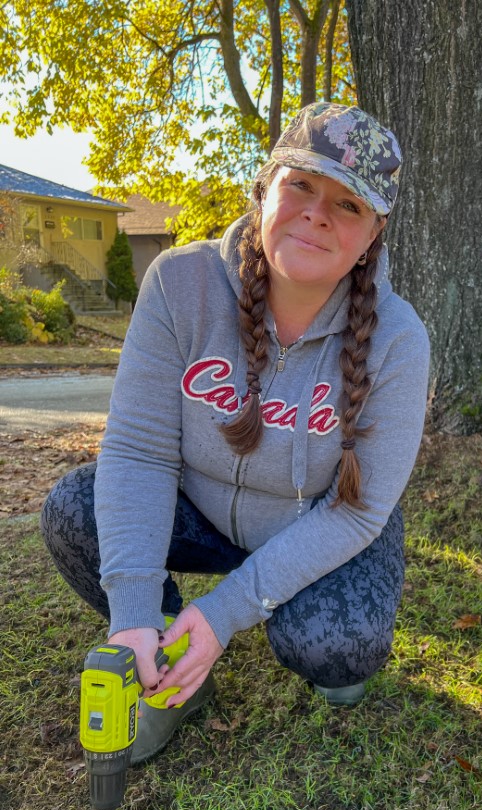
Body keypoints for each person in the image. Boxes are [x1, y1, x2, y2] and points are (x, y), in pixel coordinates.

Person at [41, 101, 431, 763]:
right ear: (263, 190)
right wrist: (134, 612)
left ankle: (314, 647)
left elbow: (359, 511)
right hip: (199, 510)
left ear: (373, 235)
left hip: (318, 518)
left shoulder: (399, 339)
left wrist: (226, 612)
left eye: (348, 204)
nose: (316, 213)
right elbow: (138, 451)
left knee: (336, 649)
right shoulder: (179, 283)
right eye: (301, 185)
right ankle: (167, 665)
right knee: (75, 509)